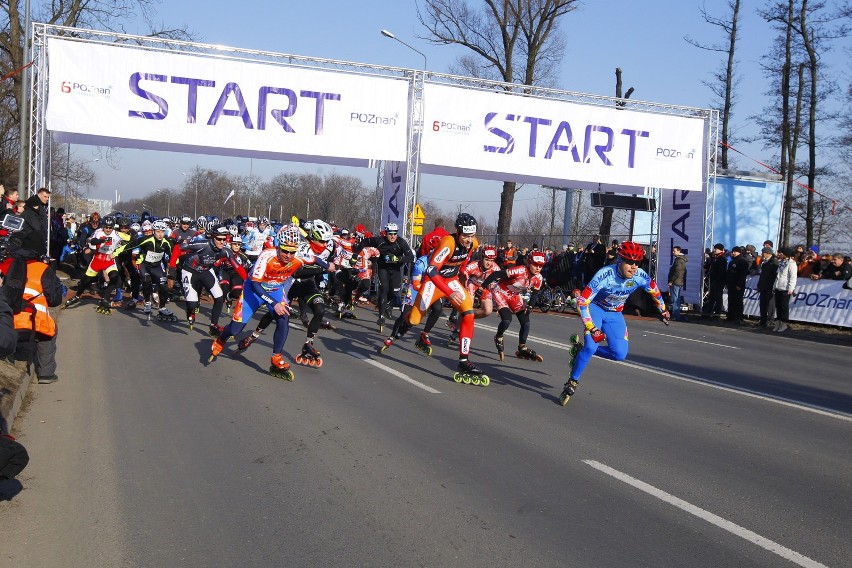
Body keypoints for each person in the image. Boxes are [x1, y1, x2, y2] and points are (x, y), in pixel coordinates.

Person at [380, 213, 488, 385]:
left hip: (451, 281)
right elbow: (431, 270)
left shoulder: (474, 244)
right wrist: (448, 291)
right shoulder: (448, 243)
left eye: (472, 235)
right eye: (465, 236)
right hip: (434, 282)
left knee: (469, 314)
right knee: (415, 319)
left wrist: (462, 278)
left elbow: (463, 261)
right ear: (458, 232)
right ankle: (401, 328)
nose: (469, 240)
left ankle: (463, 361)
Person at [559, 241, 669, 406]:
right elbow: (582, 301)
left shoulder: (640, 275)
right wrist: (592, 327)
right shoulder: (604, 275)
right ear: (620, 260)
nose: (634, 267)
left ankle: (582, 351)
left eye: (637, 263)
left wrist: (663, 309)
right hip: (595, 309)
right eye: (630, 262)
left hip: (615, 314)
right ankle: (572, 381)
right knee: (591, 345)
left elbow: (654, 290)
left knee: (619, 354)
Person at [210, 226, 323, 378]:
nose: (288, 256)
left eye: (292, 252)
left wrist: (328, 266)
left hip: (275, 289)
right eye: (285, 251)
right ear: (278, 247)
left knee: (284, 317)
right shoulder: (266, 255)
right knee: (236, 329)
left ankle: (276, 357)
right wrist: (274, 304)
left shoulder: (299, 256)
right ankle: (222, 338)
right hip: (254, 290)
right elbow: (256, 285)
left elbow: (315, 259)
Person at [0, 240, 64, 383]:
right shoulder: (42, 269)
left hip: (9, 318)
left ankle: (11, 354)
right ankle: (46, 374)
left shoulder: (6, 264)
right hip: (35, 319)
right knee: (49, 333)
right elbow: (55, 300)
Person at [179, 224, 247, 334]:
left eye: (224, 239)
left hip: (206, 271)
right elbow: (178, 248)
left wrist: (248, 280)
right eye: (219, 239)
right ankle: (190, 311)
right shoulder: (202, 244)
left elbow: (237, 267)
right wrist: (172, 267)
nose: (222, 242)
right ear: (212, 237)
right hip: (190, 271)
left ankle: (214, 325)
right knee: (192, 304)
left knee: (219, 297)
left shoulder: (226, 251)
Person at [481, 250, 546, 362]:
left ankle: (522, 347)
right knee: (507, 320)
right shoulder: (519, 270)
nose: (538, 268)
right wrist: (483, 286)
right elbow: (496, 274)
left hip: (514, 295)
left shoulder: (538, 278)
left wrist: (530, 305)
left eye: (540, 266)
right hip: (501, 292)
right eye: (535, 265)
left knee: (526, 322)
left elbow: (535, 294)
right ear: (529, 263)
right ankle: (499, 336)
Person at [352, 222, 415, 329]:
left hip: (395, 270)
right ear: (386, 233)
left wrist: (398, 259)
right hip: (383, 269)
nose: (392, 236)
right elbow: (364, 242)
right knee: (384, 289)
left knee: (395, 293)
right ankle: (381, 316)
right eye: (390, 233)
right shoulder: (379, 240)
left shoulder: (401, 242)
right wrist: (355, 254)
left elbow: (410, 257)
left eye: (395, 234)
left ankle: (388, 306)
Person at [63, 215, 122, 314]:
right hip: (97, 260)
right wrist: (102, 240)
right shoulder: (99, 232)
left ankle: (105, 299)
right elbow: (92, 241)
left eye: (110, 227)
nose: (108, 229)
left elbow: (131, 241)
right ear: (103, 226)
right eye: (106, 227)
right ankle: (77, 296)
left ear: (113, 227)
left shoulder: (117, 234)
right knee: (85, 281)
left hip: (108, 260)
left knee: (115, 277)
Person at [18, 187, 51, 257]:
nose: (47, 199)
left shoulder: (40, 207)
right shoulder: (30, 212)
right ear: (39, 195)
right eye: (45, 196)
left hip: (37, 238)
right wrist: (41, 233)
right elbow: (36, 225)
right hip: (32, 240)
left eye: (48, 197)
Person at [773, 246, 797, 333]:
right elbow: (778, 276)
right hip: (778, 287)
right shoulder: (781, 263)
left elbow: (793, 277)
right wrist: (774, 286)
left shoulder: (792, 264)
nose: (779, 254)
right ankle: (778, 322)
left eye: (781, 253)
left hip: (785, 289)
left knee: (784, 307)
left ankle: (784, 323)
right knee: (778, 306)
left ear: (785, 254)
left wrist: (791, 288)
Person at [725, 246, 750, 324]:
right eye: (732, 252)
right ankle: (730, 316)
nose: (732, 253)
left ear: (739, 252)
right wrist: (727, 283)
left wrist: (739, 284)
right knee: (731, 300)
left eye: (734, 252)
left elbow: (742, 275)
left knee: (738, 301)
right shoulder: (732, 261)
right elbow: (729, 273)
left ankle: (739, 317)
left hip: (738, 285)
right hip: (731, 284)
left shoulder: (742, 261)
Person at [702, 243, 727, 318]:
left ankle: (717, 312)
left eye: (716, 249)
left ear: (720, 250)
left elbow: (722, 271)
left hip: (719, 281)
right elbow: (710, 264)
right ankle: (708, 311)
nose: (714, 250)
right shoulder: (715, 257)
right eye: (714, 248)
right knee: (711, 296)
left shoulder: (722, 258)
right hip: (713, 280)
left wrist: (718, 280)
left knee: (718, 297)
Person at [756, 247, 778, 328]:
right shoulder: (765, 262)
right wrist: (759, 285)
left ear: (767, 253)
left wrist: (773, 286)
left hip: (770, 287)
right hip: (763, 286)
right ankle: (763, 320)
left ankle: (770, 320)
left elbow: (775, 276)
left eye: (763, 253)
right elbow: (762, 275)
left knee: (770, 305)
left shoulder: (774, 262)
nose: (762, 255)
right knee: (762, 305)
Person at [667, 246, 687, 321]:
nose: (673, 252)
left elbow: (677, 272)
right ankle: (676, 315)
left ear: (679, 251)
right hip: (679, 281)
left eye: (674, 251)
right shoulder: (681, 259)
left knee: (674, 299)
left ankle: (675, 315)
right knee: (676, 299)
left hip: (676, 282)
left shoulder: (679, 260)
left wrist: (671, 281)